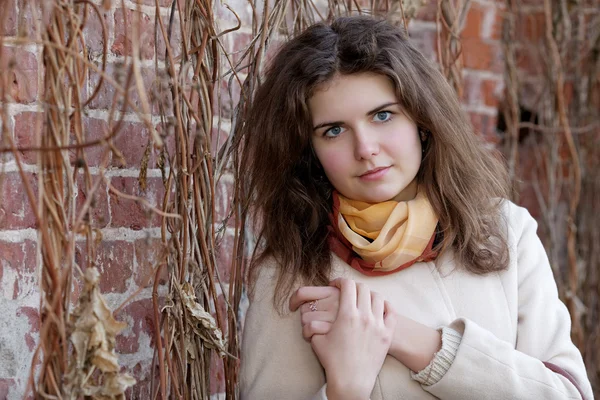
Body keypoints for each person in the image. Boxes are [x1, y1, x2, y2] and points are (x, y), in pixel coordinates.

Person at [236, 15, 594, 400]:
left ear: (421, 120)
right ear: (310, 152)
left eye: (383, 115)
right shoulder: (293, 272)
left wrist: (409, 338)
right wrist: (345, 390)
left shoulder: (504, 230)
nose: (366, 148)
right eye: (334, 130)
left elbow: (569, 393)